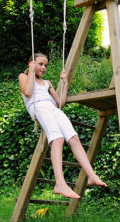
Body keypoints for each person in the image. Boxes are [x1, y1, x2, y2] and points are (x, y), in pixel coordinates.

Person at [19, 53, 106, 199]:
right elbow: (27, 92)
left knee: (74, 138)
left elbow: (60, 103)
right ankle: (59, 183)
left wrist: (64, 84)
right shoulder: (24, 76)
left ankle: (91, 175)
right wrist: (31, 72)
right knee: (57, 139)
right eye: (40, 64)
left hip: (53, 108)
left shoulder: (47, 83)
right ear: (31, 64)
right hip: (39, 107)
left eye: (45, 65)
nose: (43, 67)